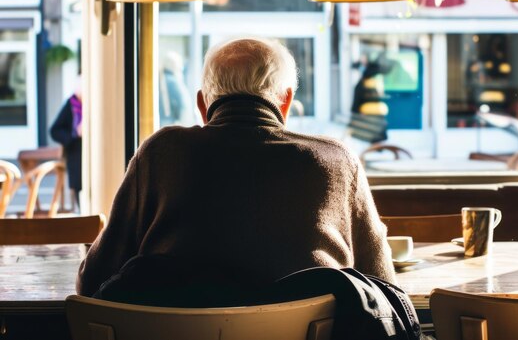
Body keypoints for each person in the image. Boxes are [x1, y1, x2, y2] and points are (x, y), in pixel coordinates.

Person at [76, 37, 395, 299]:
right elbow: (384, 286)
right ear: (285, 103)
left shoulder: (161, 153)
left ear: (203, 105)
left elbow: (94, 280)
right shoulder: (338, 161)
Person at [50, 75, 83, 212]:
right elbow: (55, 130)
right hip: (76, 156)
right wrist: (74, 134)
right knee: (80, 193)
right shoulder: (71, 104)